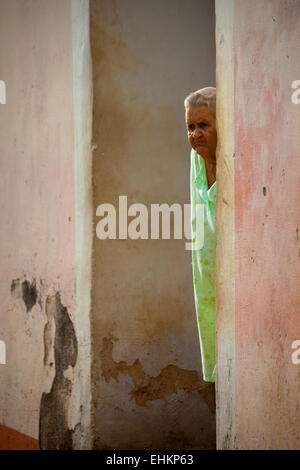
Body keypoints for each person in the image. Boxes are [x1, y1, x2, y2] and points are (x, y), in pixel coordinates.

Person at [184, 87, 217, 382]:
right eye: (191, 127)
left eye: (204, 125)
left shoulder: (233, 157)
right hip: (205, 271)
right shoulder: (196, 160)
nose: (196, 134)